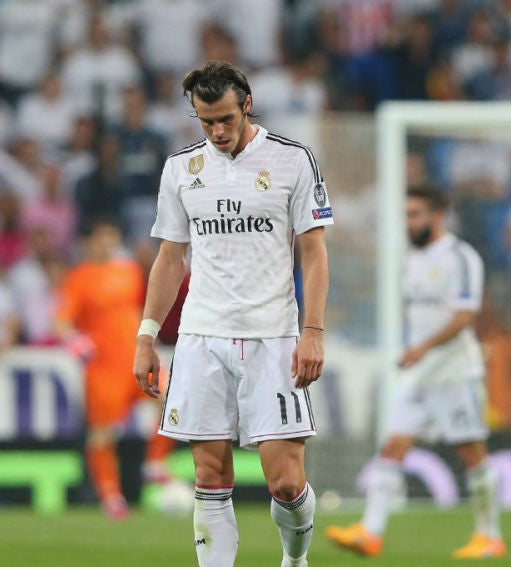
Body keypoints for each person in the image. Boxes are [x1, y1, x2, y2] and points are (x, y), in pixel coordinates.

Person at [132, 61, 332, 567]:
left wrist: (313, 331)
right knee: (207, 475)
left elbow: (313, 252)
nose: (217, 131)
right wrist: (146, 335)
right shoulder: (181, 168)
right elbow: (171, 257)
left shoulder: (293, 160)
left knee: (285, 482)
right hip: (202, 336)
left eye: (225, 118)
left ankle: (295, 558)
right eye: (206, 122)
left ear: (247, 104)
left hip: (274, 336)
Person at [325, 186, 504, 559]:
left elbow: (465, 315)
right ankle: (370, 532)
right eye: (406, 215)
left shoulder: (460, 256)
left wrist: (421, 349)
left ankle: (489, 535)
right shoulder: (412, 259)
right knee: (392, 447)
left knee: (471, 454)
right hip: (420, 374)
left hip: (455, 372)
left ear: (438, 215)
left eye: (417, 214)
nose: (410, 222)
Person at [55, 218, 175, 519]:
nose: (107, 243)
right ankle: (111, 497)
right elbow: (60, 320)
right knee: (102, 434)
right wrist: (75, 341)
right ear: (89, 243)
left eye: (112, 237)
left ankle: (154, 463)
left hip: (135, 358)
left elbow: (137, 309)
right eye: (101, 238)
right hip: (103, 369)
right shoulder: (79, 278)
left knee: (175, 399)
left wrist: (150, 342)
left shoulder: (129, 272)